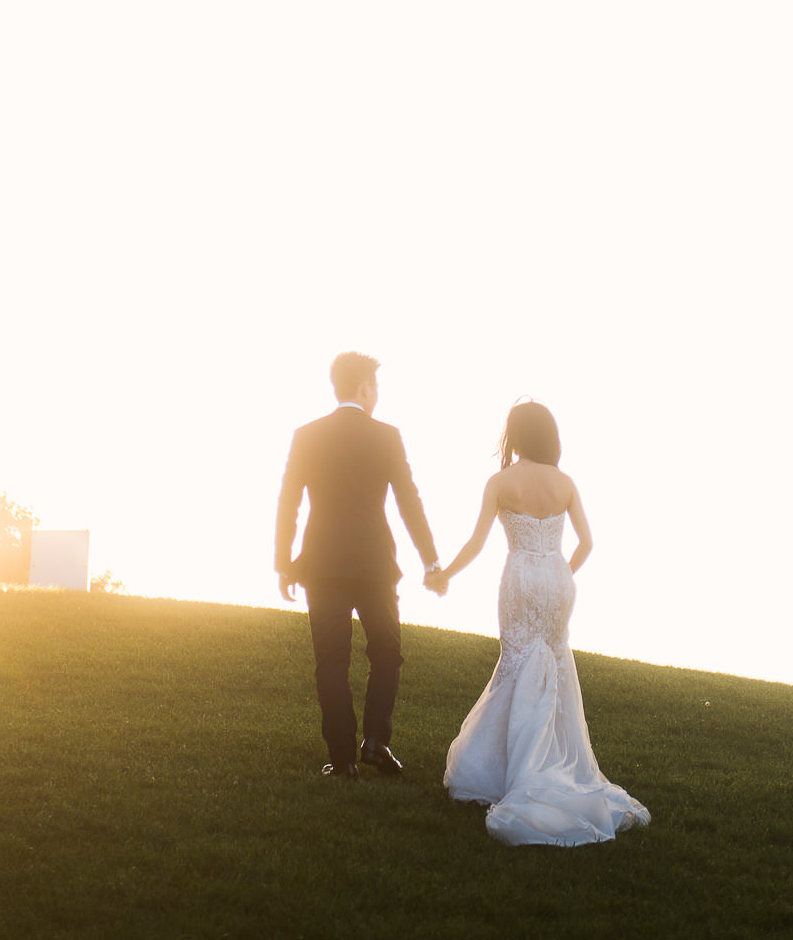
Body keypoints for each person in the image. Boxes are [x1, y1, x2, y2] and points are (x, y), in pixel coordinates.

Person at [427, 399, 651, 846]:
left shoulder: (500, 481)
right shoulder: (564, 483)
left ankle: (517, 772)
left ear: (515, 435)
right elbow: (587, 542)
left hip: (521, 578)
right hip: (557, 578)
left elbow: (476, 542)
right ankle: (552, 762)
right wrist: (560, 570)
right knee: (552, 663)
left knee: (516, 664)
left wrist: (443, 575)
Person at [275, 351, 442, 779]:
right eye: (376, 387)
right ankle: (375, 742)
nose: (377, 395)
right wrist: (430, 560)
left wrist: (283, 562)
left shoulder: (306, 435)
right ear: (365, 387)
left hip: (322, 566)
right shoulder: (386, 436)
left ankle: (344, 759)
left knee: (331, 661)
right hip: (374, 565)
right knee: (387, 654)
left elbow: (289, 502)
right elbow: (409, 503)